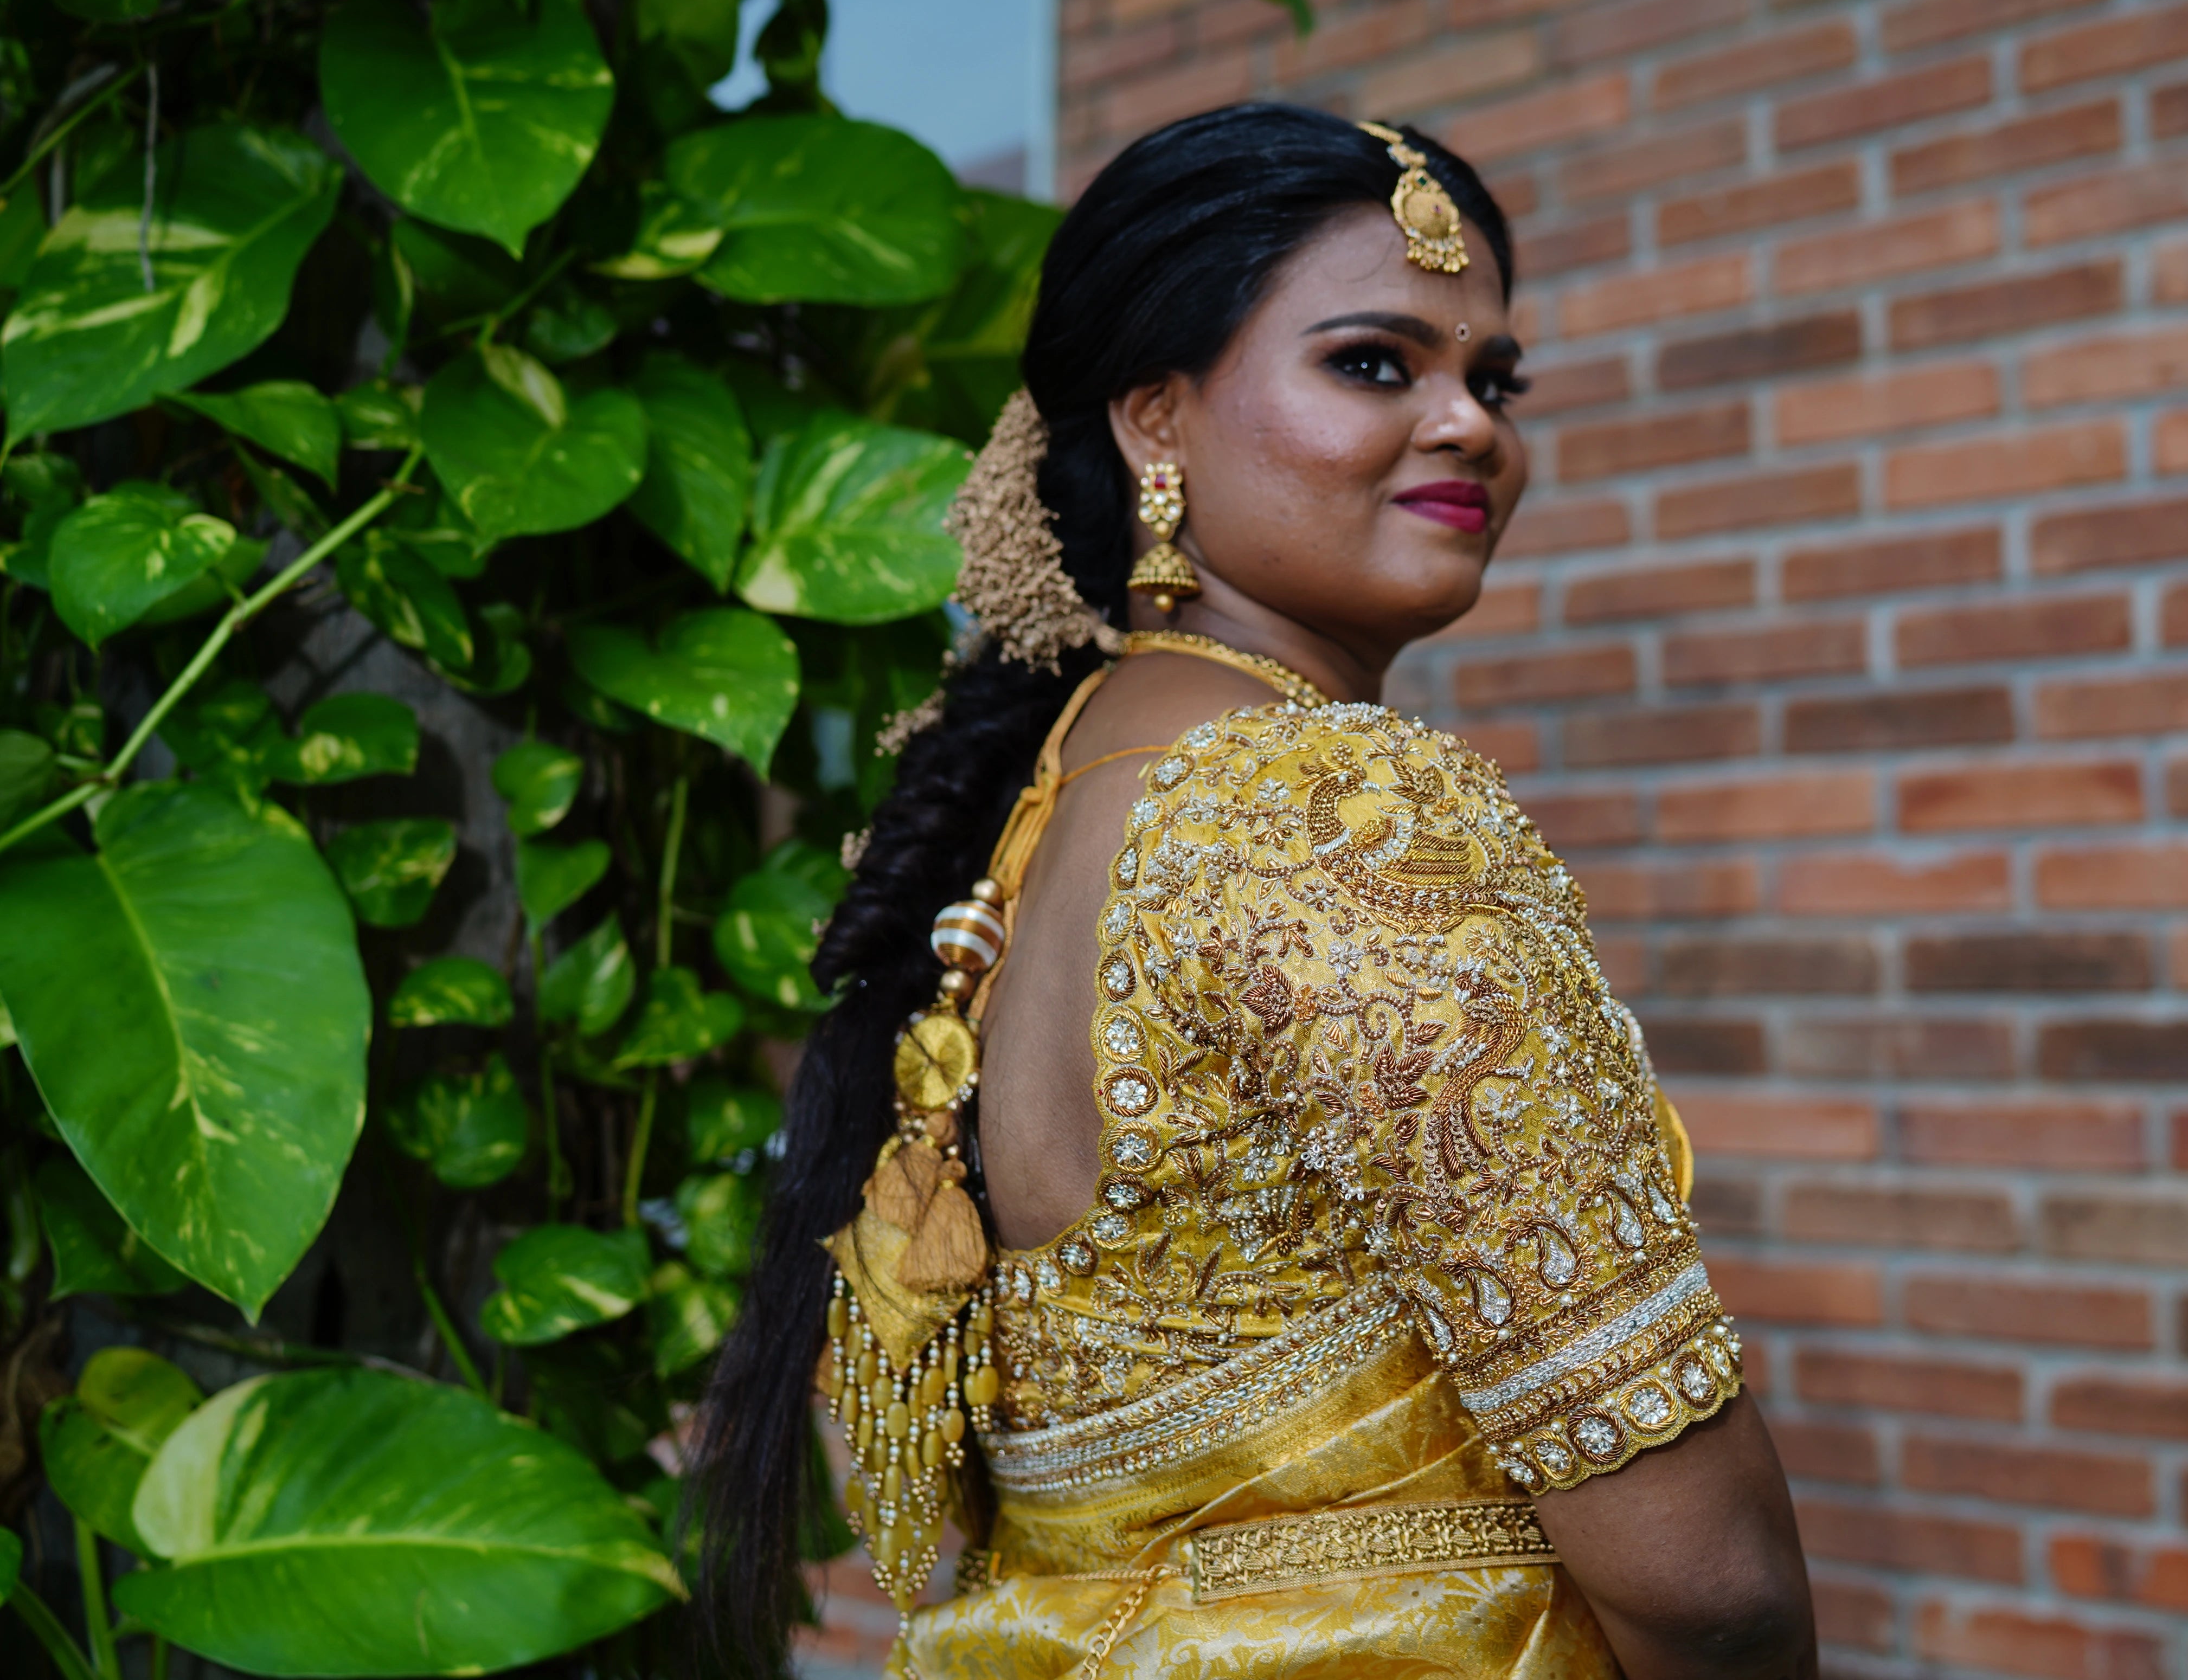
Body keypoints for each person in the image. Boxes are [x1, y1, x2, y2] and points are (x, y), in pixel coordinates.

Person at [691, 102, 1817, 1679]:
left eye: (1494, 379)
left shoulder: (1060, 795)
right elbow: (1706, 1577)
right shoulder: (1325, 807)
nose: (1470, 425)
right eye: (1375, 361)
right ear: (1156, 421)